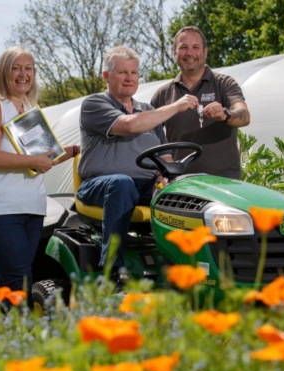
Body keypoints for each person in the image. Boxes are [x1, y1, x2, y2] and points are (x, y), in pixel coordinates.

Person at [0, 46, 79, 310]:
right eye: (16, 68)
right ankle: (24, 341)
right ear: (3, 73)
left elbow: (44, 157)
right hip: (0, 209)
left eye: (28, 68)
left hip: (32, 207)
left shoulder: (28, 108)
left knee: (9, 281)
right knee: (19, 279)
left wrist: (74, 150)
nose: (23, 74)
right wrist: (33, 160)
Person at [77, 46, 199, 274]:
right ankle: (112, 267)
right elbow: (129, 125)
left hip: (145, 186)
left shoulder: (148, 110)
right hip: (101, 186)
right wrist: (176, 106)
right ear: (106, 76)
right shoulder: (94, 104)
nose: (129, 78)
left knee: (186, 190)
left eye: (133, 73)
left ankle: (188, 267)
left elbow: (165, 156)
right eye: (122, 72)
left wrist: (165, 178)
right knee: (122, 183)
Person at [151, 26, 250, 179]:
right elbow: (151, 140)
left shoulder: (223, 83)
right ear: (174, 52)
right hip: (179, 184)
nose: (190, 53)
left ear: (205, 51)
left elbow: (244, 115)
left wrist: (225, 114)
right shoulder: (162, 95)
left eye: (195, 47)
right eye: (183, 47)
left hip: (223, 182)